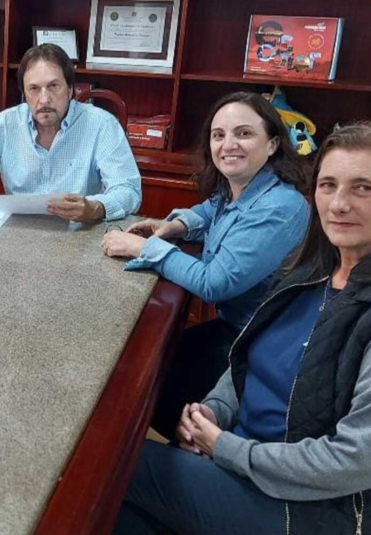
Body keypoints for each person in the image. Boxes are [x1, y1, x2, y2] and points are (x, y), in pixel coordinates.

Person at [114, 121, 371, 535]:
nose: (338, 204)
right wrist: (216, 410)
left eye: (363, 188)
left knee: (107, 468)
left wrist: (227, 449)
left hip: (319, 511)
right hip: (259, 466)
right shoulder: (319, 270)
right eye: (327, 185)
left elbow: (354, 462)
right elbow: (252, 356)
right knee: (113, 510)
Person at [101, 91, 309, 440]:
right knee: (142, 364)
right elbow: (211, 208)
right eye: (219, 135)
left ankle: (198, 451)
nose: (229, 144)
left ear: (272, 143)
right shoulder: (245, 187)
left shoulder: (279, 207)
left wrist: (145, 247)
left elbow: (215, 283)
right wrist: (175, 226)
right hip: (235, 327)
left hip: (259, 345)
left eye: (244, 133)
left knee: (138, 385)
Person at [0, 44, 141, 223]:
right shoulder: (7, 123)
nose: (44, 99)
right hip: (20, 239)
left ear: (70, 90)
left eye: (53, 86)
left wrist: (95, 208)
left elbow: (128, 190)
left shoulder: (101, 125)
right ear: (24, 94)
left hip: (79, 237)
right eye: (34, 89)